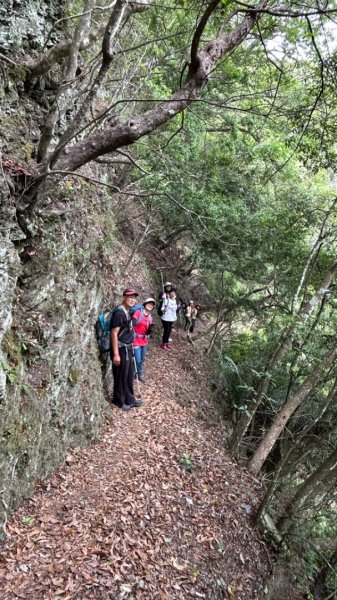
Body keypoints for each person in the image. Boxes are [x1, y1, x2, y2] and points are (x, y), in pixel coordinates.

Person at [110, 289, 143, 411]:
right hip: (120, 348)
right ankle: (119, 400)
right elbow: (114, 334)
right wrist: (116, 354)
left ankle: (129, 398)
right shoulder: (119, 313)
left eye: (134, 297)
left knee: (129, 374)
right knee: (121, 375)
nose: (132, 299)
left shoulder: (128, 311)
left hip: (128, 347)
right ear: (124, 297)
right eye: (130, 297)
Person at [132, 297, 156, 383]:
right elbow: (132, 325)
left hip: (144, 341)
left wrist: (149, 332)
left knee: (142, 360)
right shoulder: (138, 313)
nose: (150, 306)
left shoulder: (150, 317)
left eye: (152, 305)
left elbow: (148, 331)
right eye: (149, 303)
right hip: (136, 340)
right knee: (137, 359)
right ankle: (133, 373)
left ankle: (139, 374)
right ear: (145, 304)